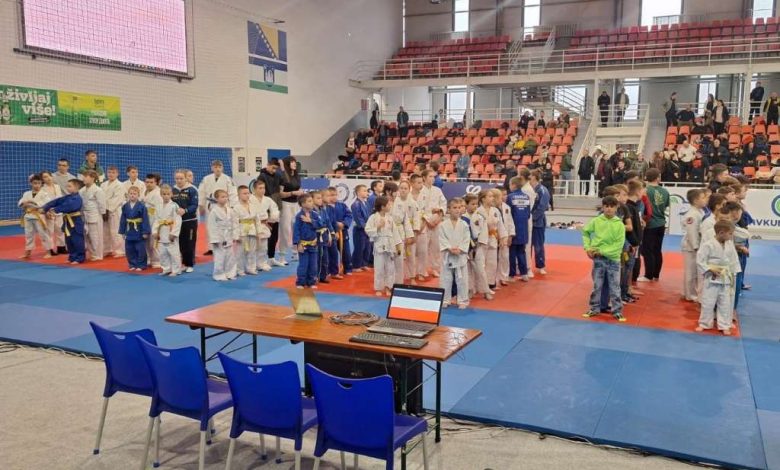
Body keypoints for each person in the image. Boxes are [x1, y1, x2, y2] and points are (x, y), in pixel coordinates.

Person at [582, 195, 626, 321]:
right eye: (606, 206)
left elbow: (618, 245)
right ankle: (594, 308)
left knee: (615, 286)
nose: (609, 209)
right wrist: (587, 248)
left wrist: (601, 251)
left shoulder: (619, 225)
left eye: (612, 206)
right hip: (598, 259)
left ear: (616, 208)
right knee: (597, 285)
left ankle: (617, 310)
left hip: (613, 260)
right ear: (603, 207)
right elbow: (585, 232)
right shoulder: (596, 221)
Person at [696, 220, 741, 335]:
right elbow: (700, 260)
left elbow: (734, 260)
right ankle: (704, 323)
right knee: (708, 302)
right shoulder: (708, 245)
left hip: (726, 278)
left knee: (725, 303)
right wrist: (709, 269)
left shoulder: (729, 244)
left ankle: (724, 325)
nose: (731, 236)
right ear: (721, 233)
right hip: (711, 278)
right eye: (730, 233)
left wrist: (734, 274)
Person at [42, 179, 86, 264]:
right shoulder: (67, 197)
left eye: (70, 186)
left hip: (75, 221)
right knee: (69, 240)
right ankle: (72, 257)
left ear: (77, 187)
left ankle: (79, 258)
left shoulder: (77, 198)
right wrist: (45, 207)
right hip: (67, 221)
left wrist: (55, 210)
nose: (67, 188)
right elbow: (56, 201)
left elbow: (69, 206)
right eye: (67, 186)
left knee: (77, 240)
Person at [199, 160, 237, 256]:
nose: (218, 169)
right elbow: (201, 192)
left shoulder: (228, 179)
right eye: (215, 167)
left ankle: (225, 244)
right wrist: (201, 205)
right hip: (210, 205)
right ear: (212, 168)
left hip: (224, 205)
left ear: (222, 168)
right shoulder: (206, 179)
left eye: (219, 167)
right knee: (210, 226)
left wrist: (232, 206)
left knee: (224, 225)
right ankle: (211, 248)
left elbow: (233, 193)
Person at [365, 196, 401, 296]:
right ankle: (378, 288)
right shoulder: (373, 218)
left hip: (390, 245)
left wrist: (398, 246)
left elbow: (395, 233)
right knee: (379, 268)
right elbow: (367, 230)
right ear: (382, 207)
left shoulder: (390, 218)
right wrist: (378, 227)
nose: (390, 206)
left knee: (390, 268)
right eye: (388, 204)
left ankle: (388, 287)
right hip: (379, 246)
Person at [438, 197, 471, 309]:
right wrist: (449, 248)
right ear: (448, 209)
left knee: (462, 279)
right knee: (446, 279)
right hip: (448, 255)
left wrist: (460, 249)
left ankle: (463, 300)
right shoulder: (443, 224)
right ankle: (445, 299)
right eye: (454, 207)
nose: (457, 210)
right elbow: (442, 238)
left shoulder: (464, 224)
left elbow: (466, 239)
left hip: (460, 255)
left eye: (459, 207)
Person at [639, 169, 670, 282]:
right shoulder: (665, 191)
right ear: (657, 178)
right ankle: (656, 274)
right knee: (657, 250)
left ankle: (648, 275)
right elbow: (665, 205)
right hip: (661, 223)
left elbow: (642, 207)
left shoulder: (645, 191)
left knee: (647, 250)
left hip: (650, 223)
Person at [681, 189, 707, 302]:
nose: (705, 200)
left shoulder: (700, 212)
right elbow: (692, 232)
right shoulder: (692, 214)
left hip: (697, 245)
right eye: (703, 198)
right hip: (691, 247)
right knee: (690, 272)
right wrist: (696, 246)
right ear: (696, 200)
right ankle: (689, 294)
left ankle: (689, 292)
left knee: (695, 272)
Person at [18, 173, 52, 259]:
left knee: (43, 234)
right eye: (34, 183)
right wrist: (24, 203)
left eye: (39, 183)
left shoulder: (44, 194)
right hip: (28, 216)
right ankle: (28, 252)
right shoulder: (26, 193)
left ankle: (48, 251)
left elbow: (46, 204)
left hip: (39, 216)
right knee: (28, 235)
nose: (36, 185)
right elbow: (20, 203)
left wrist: (33, 202)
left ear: (41, 184)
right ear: (31, 183)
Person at [477, 190, 505, 291]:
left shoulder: (495, 211)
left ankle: (490, 284)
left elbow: (500, 225)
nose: (492, 198)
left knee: (492, 263)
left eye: (493, 196)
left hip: (493, 239)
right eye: (489, 196)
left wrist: (502, 238)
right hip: (481, 241)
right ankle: (480, 285)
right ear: (483, 199)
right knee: (480, 264)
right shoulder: (478, 211)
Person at [258, 158, 285, 266]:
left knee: (274, 235)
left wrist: (282, 167)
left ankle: (271, 257)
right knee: (265, 235)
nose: (274, 170)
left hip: (276, 206)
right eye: (273, 168)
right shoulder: (262, 176)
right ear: (268, 165)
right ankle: (261, 260)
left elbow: (285, 182)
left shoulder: (278, 175)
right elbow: (260, 191)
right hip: (265, 208)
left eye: (276, 168)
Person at [171, 169, 199, 273]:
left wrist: (185, 210)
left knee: (189, 243)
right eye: (177, 178)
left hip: (190, 220)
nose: (179, 180)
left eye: (181, 178)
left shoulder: (192, 189)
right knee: (180, 243)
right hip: (177, 221)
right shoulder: (173, 190)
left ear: (186, 178)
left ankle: (189, 264)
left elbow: (194, 205)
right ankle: (182, 263)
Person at [421, 169, 447, 277]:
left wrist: (440, 215)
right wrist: (427, 220)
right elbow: (419, 208)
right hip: (424, 222)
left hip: (436, 221)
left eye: (433, 177)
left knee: (436, 247)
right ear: (424, 177)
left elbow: (444, 204)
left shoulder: (437, 190)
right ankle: (422, 269)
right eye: (430, 176)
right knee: (423, 247)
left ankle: (435, 268)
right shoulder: (420, 190)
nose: (432, 179)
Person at [208, 189, 238, 281]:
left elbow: (234, 223)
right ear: (217, 199)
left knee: (230, 256)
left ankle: (230, 273)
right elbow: (211, 226)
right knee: (220, 257)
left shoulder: (230, 210)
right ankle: (219, 274)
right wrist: (214, 239)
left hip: (228, 235)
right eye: (222, 197)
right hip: (219, 236)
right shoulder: (214, 211)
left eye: (226, 197)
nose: (225, 198)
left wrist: (235, 235)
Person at [118, 186, 151, 271]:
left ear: (138, 195)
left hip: (139, 230)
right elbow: (123, 219)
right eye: (131, 193)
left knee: (140, 249)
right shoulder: (125, 206)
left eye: (134, 194)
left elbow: (145, 219)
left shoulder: (142, 206)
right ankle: (132, 264)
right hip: (129, 230)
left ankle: (141, 265)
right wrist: (122, 231)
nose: (132, 195)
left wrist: (145, 232)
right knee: (129, 249)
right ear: (128, 195)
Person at [251, 179, 280, 272]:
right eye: (260, 188)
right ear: (254, 189)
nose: (262, 190)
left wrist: (272, 218)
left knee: (263, 246)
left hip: (263, 224)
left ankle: (262, 263)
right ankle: (252, 265)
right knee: (253, 247)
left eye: (263, 188)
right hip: (252, 224)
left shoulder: (267, 199)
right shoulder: (250, 199)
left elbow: (275, 209)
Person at [293, 193, 321, 288]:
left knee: (313, 265)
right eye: (309, 201)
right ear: (303, 204)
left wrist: (311, 221)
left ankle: (311, 282)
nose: (312, 203)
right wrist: (298, 243)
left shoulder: (315, 215)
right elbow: (296, 231)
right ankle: (300, 282)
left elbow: (321, 224)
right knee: (303, 265)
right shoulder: (299, 216)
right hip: (303, 244)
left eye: (312, 201)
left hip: (313, 244)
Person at [154, 184, 182, 277]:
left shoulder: (174, 206)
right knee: (162, 252)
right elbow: (156, 220)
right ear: (161, 195)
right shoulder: (158, 206)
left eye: (168, 194)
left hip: (170, 230)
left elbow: (178, 220)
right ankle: (166, 269)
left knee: (173, 252)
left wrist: (174, 233)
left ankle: (176, 270)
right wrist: (155, 232)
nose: (166, 196)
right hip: (161, 231)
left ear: (171, 194)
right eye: (164, 194)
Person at [278, 156, 303, 262]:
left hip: (296, 205)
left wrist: (300, 192)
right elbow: (280, 194)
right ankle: (282, 255)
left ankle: (295, 252)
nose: (294, 164)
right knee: (285, 230)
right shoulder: (283, 176)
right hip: (285, 205)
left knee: (297, 228)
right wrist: (292, 193)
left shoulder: (297, 176)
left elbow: (299, 188)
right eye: (292, 162)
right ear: (287, 164)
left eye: (295, 162)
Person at [507, 176, 531, 281]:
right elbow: (528, 214)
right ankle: (524, 273)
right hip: (524, 228)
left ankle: (511, 275)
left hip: (513, 228)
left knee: (512, 252)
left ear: (513, 185)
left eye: (510, 184)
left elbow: (508, 215)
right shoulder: (526, 197)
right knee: (521, 252)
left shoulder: (510, 197)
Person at [79, 170, 106, 261]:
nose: (83, 178)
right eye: (83, 176)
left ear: (93, 178)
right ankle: (92, 253)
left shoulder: (98, 190)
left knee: (95, 236)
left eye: (86, 177)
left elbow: (102, 204)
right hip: (84, 215)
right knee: (87, 236)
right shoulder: (81, 190)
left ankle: (98, 254)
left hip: (95, 215)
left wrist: (102, 214)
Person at [234, 185, 260, 276]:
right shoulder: (236, 207)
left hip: (252, 230)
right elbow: (235, 222)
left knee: (252, 251)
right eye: (244, 193)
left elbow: (257, 220)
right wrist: (236, 235)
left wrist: (259, 232)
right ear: (239, 195)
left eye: (248, 193)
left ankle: (251, 268)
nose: (247, 195)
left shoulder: (253, 206)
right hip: (242, 231)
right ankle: (239, 269)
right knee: (241, 252)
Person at [529, 170, 551, 275]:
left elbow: (542, 207)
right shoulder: (528, 189)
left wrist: (532, 218)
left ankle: (541, 266)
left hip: (538, 222)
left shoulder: (543, 190)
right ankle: (527, 266)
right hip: (527, 221)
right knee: (527, 246)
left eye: (530, 176)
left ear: (534, 177)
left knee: (538, 245)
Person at [102, 166, 125, 258]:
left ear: (117, 174)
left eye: (113, 172)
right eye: (109, 172)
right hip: (104, 210)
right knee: (105, 231)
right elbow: (101, 198)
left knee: (115, 231)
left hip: (114, 210)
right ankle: (107, 249)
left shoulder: (120, 185)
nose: (111, 174)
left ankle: (119, 250)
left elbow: (118, 199)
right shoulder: (103, 184)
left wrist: (108, 209)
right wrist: (103, 209)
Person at [40, 171, 64, 255]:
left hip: (58, 211)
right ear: (42, 180)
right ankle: (49, 249)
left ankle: (61, 247)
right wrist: (46, 211)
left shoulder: (57, 186)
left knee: (60, 230)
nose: (48, 178)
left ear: (52, 176)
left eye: (49, 176)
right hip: (49, 212)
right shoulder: (42, 189)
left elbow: (60, 199)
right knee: (49, 231)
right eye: (45, 177)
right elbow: (42, 202)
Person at [312, 190, 333, 284]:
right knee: (317, 258)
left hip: (324, 236)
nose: (320, 200)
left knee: (325, 258)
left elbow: (328, 222)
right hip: (315, 237)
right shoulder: (311, 212)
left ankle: (323, 276)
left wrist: (331, 233)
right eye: (318, 198)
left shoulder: (323, 210)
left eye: (321, 198)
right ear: (312, 200)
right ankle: (314, 277)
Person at [143, 173, 163, 268]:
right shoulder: (145, 192)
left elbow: (160, 210)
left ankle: (157, 261)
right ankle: (149, 259)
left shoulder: (158, 193)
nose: (149, 184)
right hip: (146, 220)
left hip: (155, 220)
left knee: (154, 242)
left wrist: (158, 224)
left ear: (156, 183)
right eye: (147, 182)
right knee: (146, 241)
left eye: (151, 182)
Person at [351, 184, 371, 272]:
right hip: (359, 229)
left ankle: (364, 264)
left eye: (367, 191)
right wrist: (365, 227)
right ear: (358, 192)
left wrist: (370, 226)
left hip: (367, 228)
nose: (367, 192)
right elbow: (358, 218)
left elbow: (369, 216)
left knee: (367, 247)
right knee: (360, 247)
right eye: (364, 191)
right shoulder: (355, 204)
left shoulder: (366, 203)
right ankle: (356, 265)